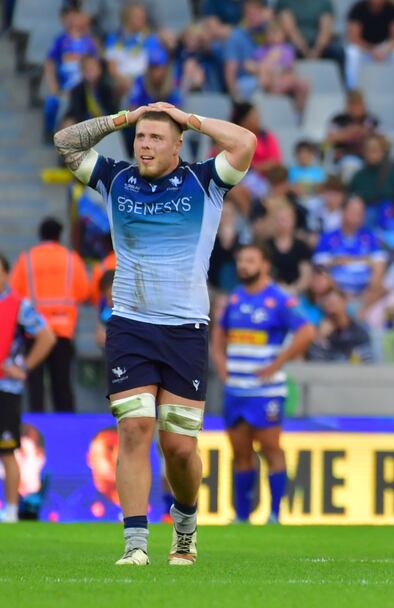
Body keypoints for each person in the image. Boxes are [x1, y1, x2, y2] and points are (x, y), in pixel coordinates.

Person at [53, 101, 256, 565]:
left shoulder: (205, 182)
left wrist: (188, 117)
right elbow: (65, 143)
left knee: (180, 448)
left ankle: (185, 526)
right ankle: (136, 544)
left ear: (177, 145)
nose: (145, 145)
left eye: (156, 138)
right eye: (141, 137)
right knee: (135, 428)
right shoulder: (116, 179)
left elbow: (246, 143)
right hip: (130, 324)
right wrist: (122, 118)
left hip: (185, 331)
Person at [211, 244, 315, 524]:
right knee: (240, 452)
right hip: (237, 390)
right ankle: (242, 516)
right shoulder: (234, 299)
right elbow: (218, 335)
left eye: (250, 260)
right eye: (241, 260)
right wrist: (222, 367)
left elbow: (306, 331)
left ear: (265, 265)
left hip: (266, 391)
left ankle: (275, 513)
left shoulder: (278, 299)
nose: (244, 265)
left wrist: (277, 364)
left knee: (271, 449)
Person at [10, 217, 89, 413]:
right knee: (62, 385)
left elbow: (14, 293)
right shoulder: (72, 259)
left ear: (40, 235)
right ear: (59, 235)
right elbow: (83, 292)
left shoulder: (26, 259)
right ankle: (66, 430)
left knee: (34, 384)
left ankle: (36, 430)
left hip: (34, 333)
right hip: (62, 332)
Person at [0, 254, 56, 523]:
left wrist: (23, 366)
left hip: (6, 386)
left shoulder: (19, 306)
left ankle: (10, 510)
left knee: (7, 449)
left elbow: (47, 336)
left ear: (6, 274)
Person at [312, 195, 388, 304]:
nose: (359, 215)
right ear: (343, 211)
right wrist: (341, 294)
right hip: (335, 293)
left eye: (361, 212)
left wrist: (338, 261)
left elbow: (379, 269)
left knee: (382, 288)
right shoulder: (328, 238)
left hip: (366, 295)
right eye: (354, 211)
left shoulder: (371, 238)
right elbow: (321, 270)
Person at [43, 3, 98, 134]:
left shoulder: (89, 41)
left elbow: (95, 65)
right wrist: (54, 87)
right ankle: (51, 133)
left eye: (76, 16)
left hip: (84, 88)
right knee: (51, 103)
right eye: (69, 17)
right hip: (65, 88)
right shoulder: (60, 41)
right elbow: (49, 63)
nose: (73, 21)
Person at [104, 2, 166, 97]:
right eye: (138, 17)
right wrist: (124, 81)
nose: (142, 20)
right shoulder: (114, 38)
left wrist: (138, 82)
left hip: (145, 83)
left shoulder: (150, 38)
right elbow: (112, 68)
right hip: (121, 83)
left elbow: (155, 66)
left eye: (143, 17)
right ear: (127, 18)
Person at [345, 0, 394, 89]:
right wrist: (372, 51)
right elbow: (354, 38)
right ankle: (353, 90)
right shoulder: (357, 9)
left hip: (385, 48)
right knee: (352, 52)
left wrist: (385, 50)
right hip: (365, 49)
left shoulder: (393, 9)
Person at [306, 287, 375, 362]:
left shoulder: (359, 330)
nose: (331, 309)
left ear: (344, 302)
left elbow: (367, 360)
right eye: (327, 305)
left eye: (333, 303)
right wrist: (320, 337)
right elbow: (315, 362)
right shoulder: (319, 331)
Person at [224, 0, 273, 101]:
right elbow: (230, 71)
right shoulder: (236, 36)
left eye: (257, 13)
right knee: (267, 80)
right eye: (250, 13)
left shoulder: (267, 32)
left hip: (265, 77)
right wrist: (235, 99)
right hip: (244, 83)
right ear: (245, 14)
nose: (253, 16)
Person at [264, 203, 313, 295]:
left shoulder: (301, 246)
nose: (282, 223)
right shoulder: (267, 245)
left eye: (286, 219)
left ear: (293, 221)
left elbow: (306, 275)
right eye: (279, 219)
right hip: (270, 291)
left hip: (296, 292)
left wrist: (293, 289)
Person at [276, 0, 342, 64]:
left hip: (319, 46)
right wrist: (305, 51)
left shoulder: (324, 2)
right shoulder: (285, 2)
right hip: (294, 43)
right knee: (286, 51)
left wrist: (317, 50)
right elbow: (290, 29)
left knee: (338, 51)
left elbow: (325, 29)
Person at [326, 90, 380, 162]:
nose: (355, 108)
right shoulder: (338, 120)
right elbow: (328, 139)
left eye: (358, 104)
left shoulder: (372, 120)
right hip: (344, 158)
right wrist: (348, 133)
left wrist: (364, 133)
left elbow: (383, 140)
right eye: (352, 104)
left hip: (368, 158)